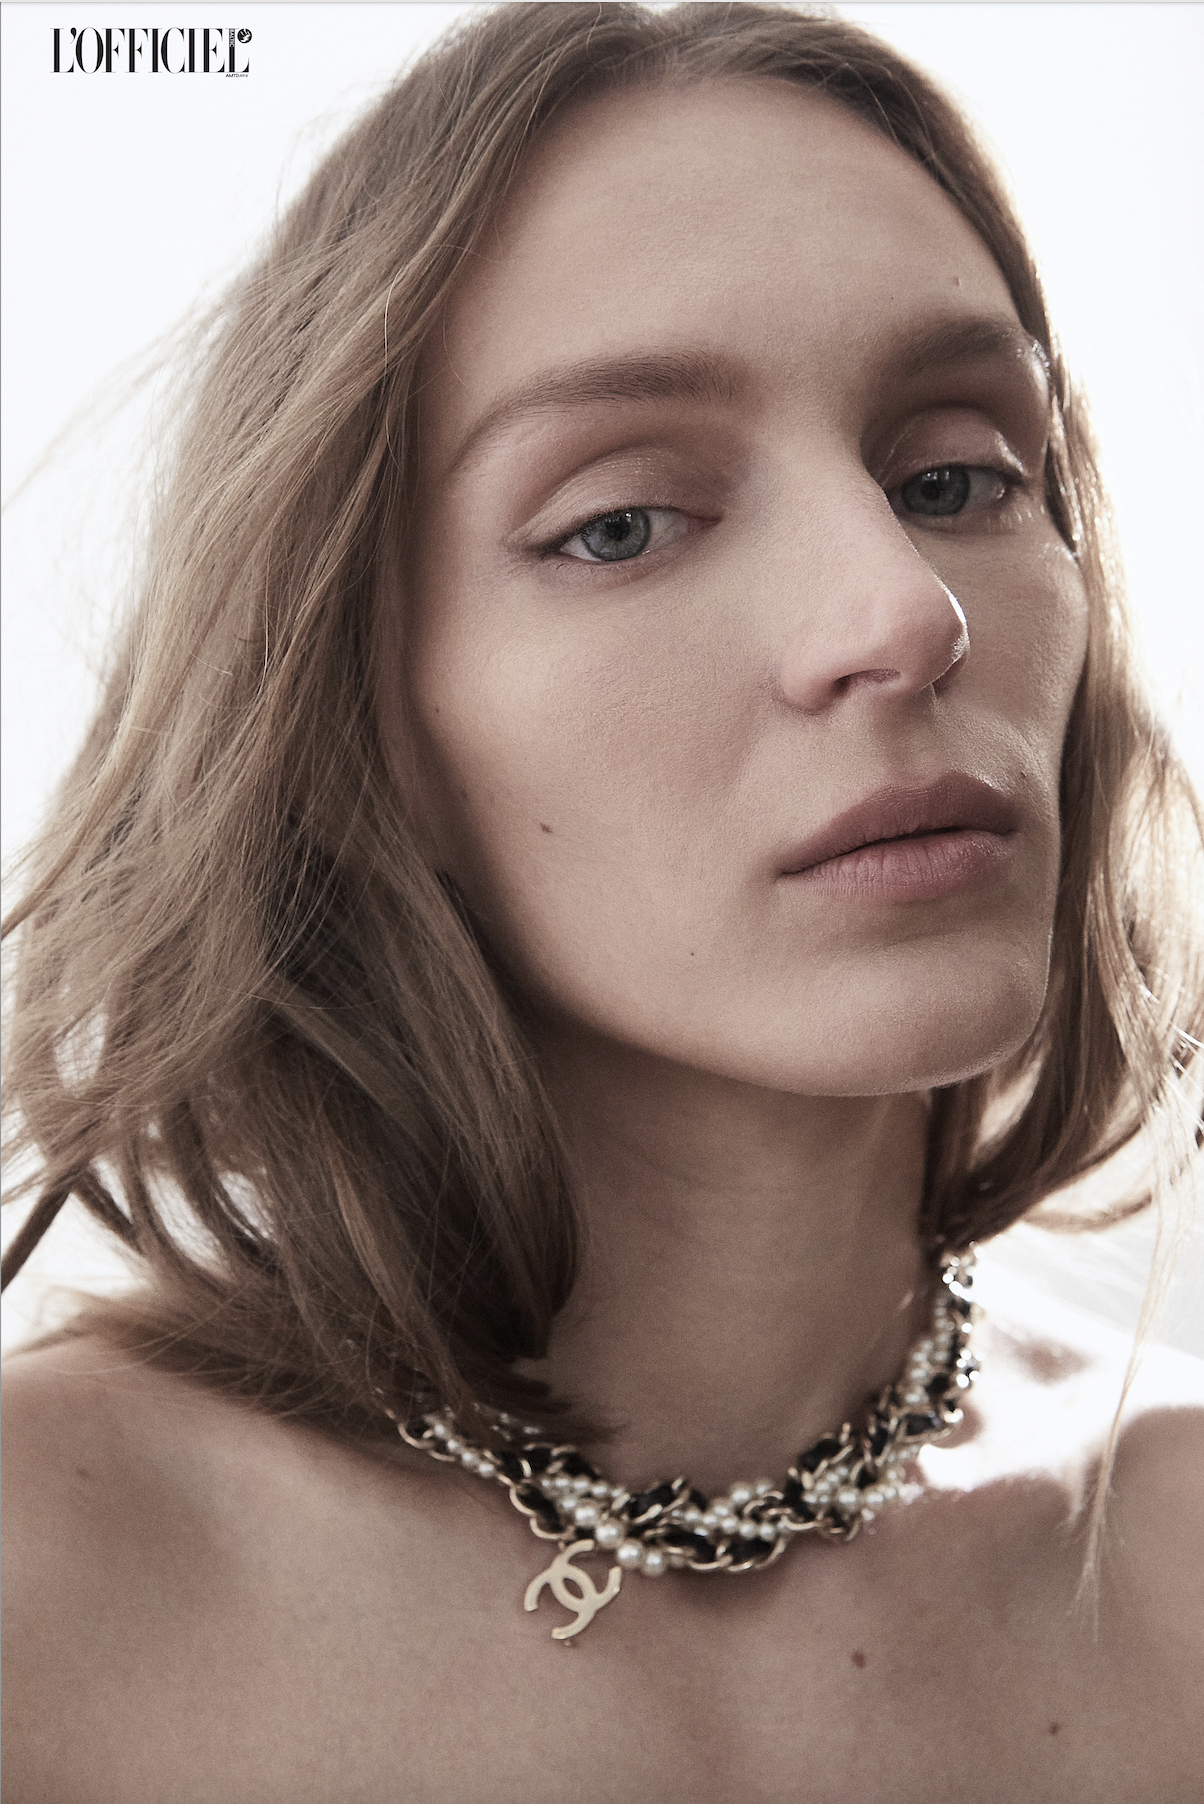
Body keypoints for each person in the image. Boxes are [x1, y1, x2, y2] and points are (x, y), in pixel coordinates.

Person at [3, 4, 1202, 1798]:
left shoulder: (1179, 1555)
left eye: (954, 477)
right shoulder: (45, 1591)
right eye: (623, 522)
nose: (904, 611)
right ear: (358, 725)